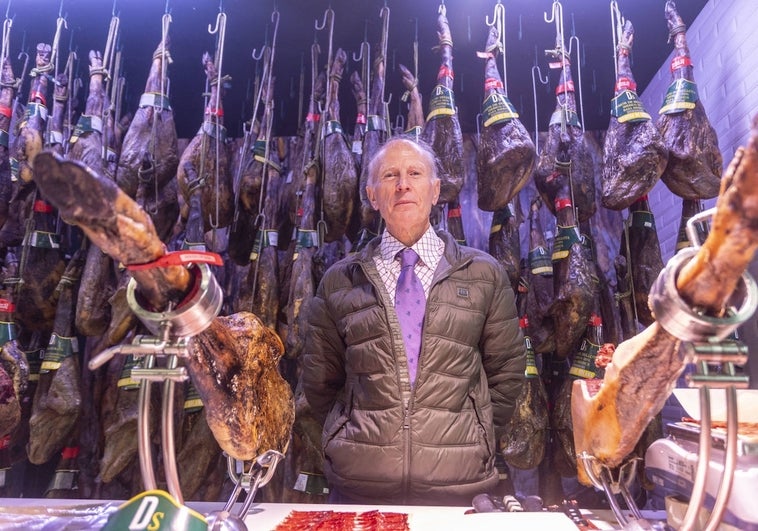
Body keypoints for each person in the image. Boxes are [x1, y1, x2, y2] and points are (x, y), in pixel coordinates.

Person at [302, 136, 526, 506]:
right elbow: (321, 381)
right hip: (360, 488)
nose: (403, 184)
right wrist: (354, 434)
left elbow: (506, 371)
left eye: (415, 173)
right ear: (373, 197)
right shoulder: (340, 281)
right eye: (390, 175)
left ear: (435, 190)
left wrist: (474, 431)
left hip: (459, 489)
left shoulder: (483, 274)